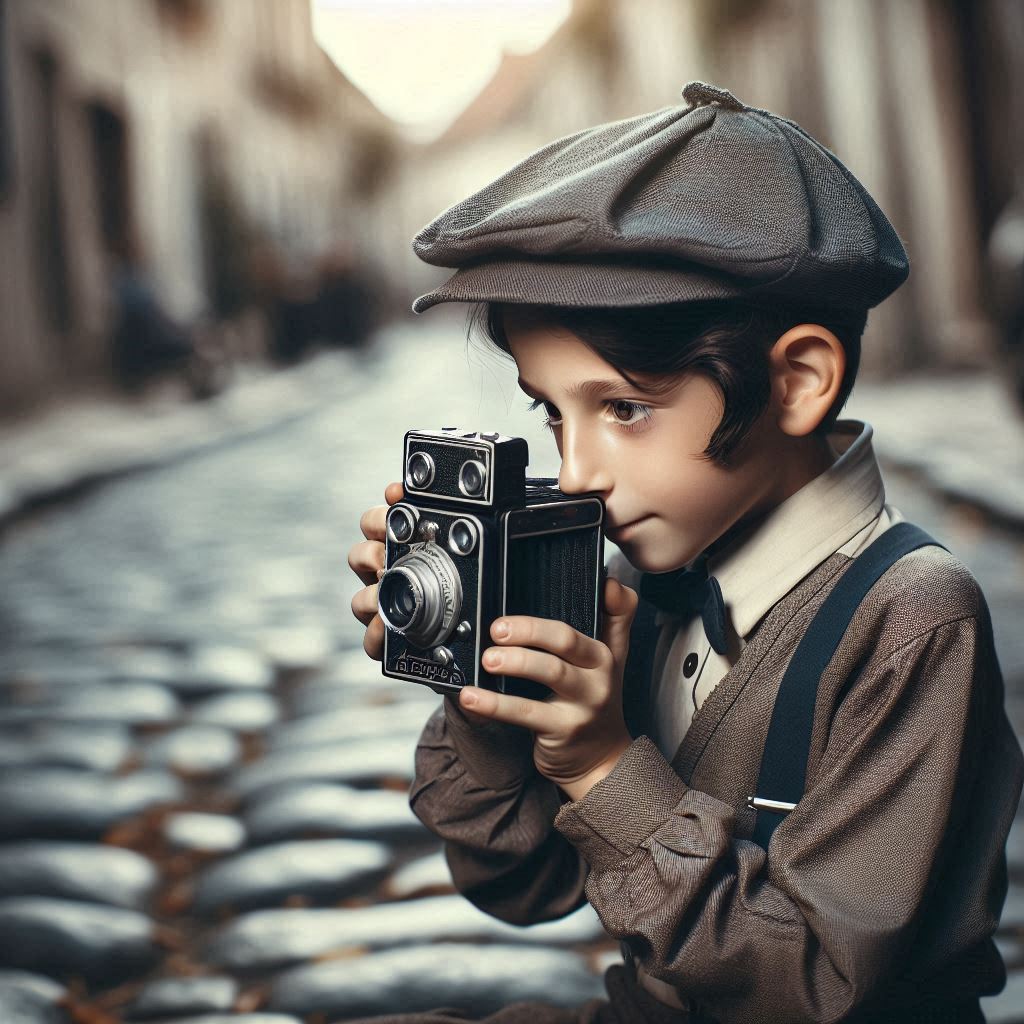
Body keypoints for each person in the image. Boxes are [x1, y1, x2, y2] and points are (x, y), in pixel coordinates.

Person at [347, 81, 1024, 1023]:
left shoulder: (911, 619)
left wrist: (600, 767)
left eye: (624, 409)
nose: (577, 473)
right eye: (552, 412)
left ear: (797, 381)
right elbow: (518, 886)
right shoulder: (639, 579)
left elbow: (818, 988)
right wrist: (484, 688)